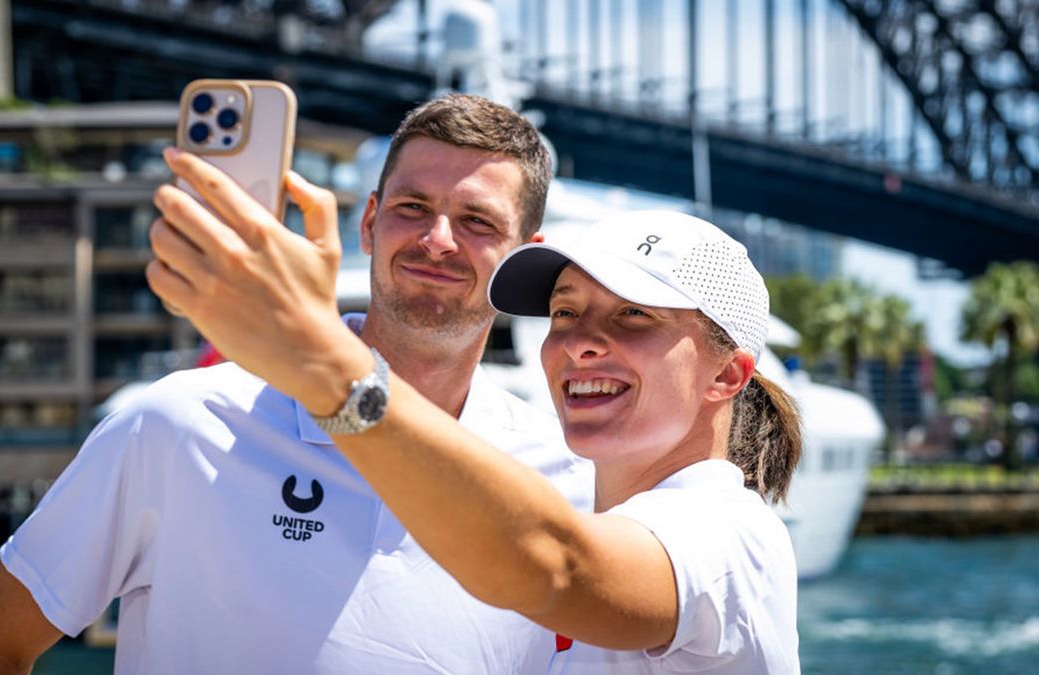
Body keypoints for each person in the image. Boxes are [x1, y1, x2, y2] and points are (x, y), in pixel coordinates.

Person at [0, 94, 593, 674]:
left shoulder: (568, 476)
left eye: (477, 221)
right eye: (412, 206)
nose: (437, 239)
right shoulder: (177, 423)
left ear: (525, 253)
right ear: (368, 221)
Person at [143, 149, 804, 672]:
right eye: (566, 311)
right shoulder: (611, 517)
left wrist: (324, 363)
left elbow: (554, 565)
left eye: (633, 315)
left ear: (728, 373)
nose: (580, 341)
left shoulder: (727, 534)